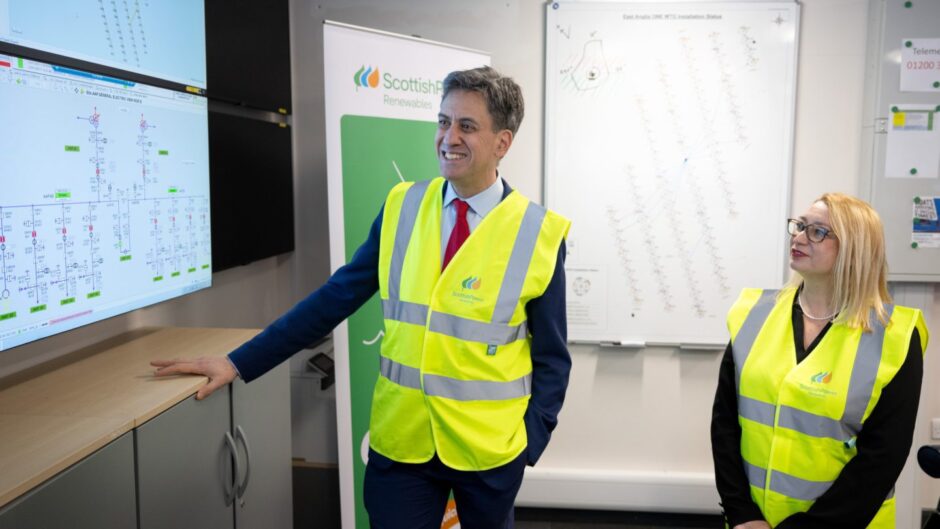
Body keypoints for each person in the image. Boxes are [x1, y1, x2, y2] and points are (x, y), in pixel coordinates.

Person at [151, 66, 572, 529]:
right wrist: (238, 362)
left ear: (502, 142)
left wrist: (530, 441)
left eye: (466, 126)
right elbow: (335, 298)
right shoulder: (403, 206)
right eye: (443, 121)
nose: (448, 137)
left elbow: (553, 357)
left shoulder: (539, 234)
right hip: (402, 445)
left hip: (490, 453)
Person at [711, 192, 928, 528]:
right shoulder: (753, 314)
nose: (798, 237)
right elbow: (724, 423)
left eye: (818, 232)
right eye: (799, 226)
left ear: (854, 249)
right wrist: (742, 514)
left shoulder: (895, 336)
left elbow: (883, 457)